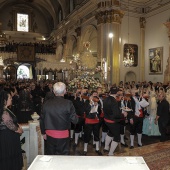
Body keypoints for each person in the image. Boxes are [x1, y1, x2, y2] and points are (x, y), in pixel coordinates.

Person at [40, 82, 78, 155]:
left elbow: (42, 119)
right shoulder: (68, 103)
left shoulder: (46, 103)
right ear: (65, 91)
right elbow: (75, 120)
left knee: (51, 156)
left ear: (54, 91)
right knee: (62, 158)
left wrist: (43, 132)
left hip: (49, 135)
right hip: (63, 135)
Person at [0, 83, 23, 170]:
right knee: (9, 159)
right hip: (8, 138)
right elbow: (9, 124)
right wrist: (19, 130)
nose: (11, 99)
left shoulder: (5, 109)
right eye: (10, 98)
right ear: (5, 100)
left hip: (8, 136)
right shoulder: (4, 111)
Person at [103, 87, 127, 156]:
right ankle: (110, 153)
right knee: (117, 138)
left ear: (110, 92)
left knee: (110, 133)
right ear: (116, 93)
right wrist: (123, 115)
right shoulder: (114, 101)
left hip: (106, 120)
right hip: (113, 121)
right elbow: (116, 114)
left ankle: (106, 147)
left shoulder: (106, 99)